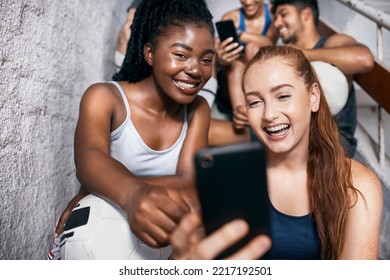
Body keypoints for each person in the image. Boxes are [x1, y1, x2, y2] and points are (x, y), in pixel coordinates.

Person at [171, 45, 383, 260]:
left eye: (282, 96)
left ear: (313, 97)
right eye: (255, 102)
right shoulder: (230, 182)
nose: (269, 114)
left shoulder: (359, 184)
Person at [49, 0, 216, 259]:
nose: (195, 69)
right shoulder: (104, 97)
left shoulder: (198, 108)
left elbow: (187, 180)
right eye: (181, 55)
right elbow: (89, 159)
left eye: (206, 59)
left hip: (163, 239)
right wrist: (131, 194)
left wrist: (100, 187)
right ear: (149, 53)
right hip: (108, 237)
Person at [228, 0, 374, 156]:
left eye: (283, 14)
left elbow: (364, 60)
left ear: (306, 15)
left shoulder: (332, 43)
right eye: (275, 17)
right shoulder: (283, 56)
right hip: (285, 131)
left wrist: (302, 53)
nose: (277, 23)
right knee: (215, 132)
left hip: (331, 141)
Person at [214, 0, 278, 122]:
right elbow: (221, 60)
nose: (247, 2)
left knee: (252, 48)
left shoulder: (272, 12)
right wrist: (222, 59)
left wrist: (238, 34)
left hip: (260, 72)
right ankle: (242, 116)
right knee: (236, 66)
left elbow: (269, 43)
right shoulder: (230, 17)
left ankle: (259, 105)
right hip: (232, 79)